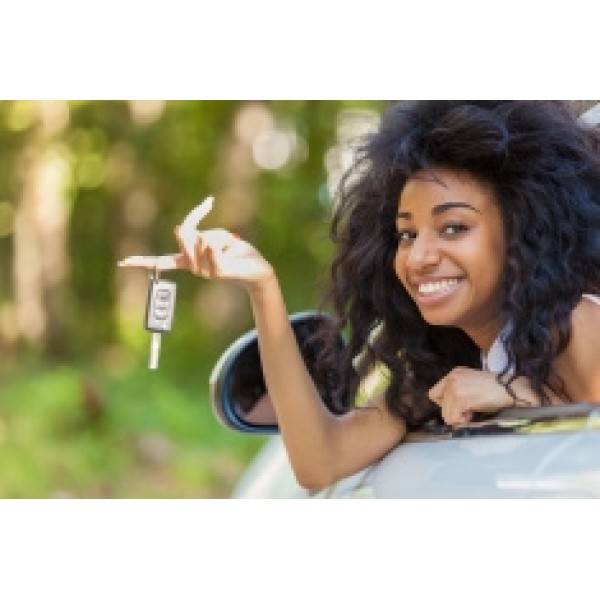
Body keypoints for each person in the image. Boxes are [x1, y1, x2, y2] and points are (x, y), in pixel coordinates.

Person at [119, 101, 600, 490]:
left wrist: (519, 395)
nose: (419, 257)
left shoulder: (578, 323)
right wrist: (262, 289)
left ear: (524, 233)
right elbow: (320, 462)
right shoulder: (439, 374)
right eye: (407, 235)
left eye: (454, 228)